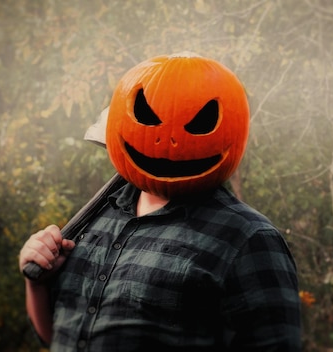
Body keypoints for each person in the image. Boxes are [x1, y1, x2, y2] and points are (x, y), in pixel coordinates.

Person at [18, 52, 301, 351]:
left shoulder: (248, 238)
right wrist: (37, 283)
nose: (167, 140)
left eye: (201, 122)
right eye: (146, 115)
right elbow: (61, 337)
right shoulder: (96, 219)